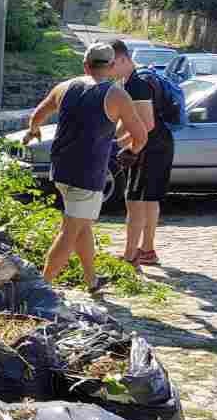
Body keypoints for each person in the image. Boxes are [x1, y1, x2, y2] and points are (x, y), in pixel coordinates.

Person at [23, 43, 149, 295]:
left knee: (82, 226)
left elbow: (38, 114)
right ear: (112, 66)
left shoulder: (64, 87)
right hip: (87, 174)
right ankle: (40, 289)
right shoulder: (116, 95)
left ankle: (92, 280)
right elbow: (141, 135)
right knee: (70, 232)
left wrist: (33, 130)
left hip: (60, 170)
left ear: (85, 65)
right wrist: (132, 152)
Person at [114, 39, 174, 267]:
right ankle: (147, 250)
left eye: (111, 64)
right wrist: (116, 137)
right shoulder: (135, 79)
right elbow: (130, 118)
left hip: (150, 147)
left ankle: (130, 256)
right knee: (148, 201)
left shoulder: (137, 84)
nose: (109, 69)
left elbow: (146, 124)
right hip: (161, 144)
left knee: (135, 201)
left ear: (122, 59)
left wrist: (130, 147)